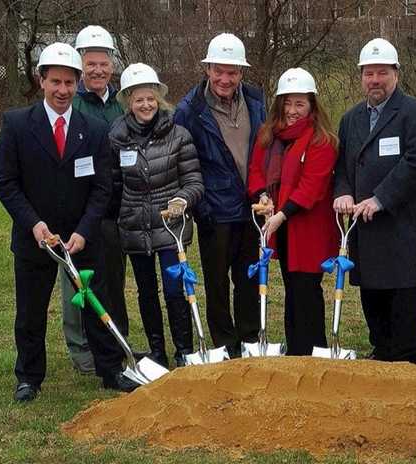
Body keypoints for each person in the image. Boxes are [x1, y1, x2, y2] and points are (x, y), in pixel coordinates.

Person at [0, 43, 137, 402]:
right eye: (55, 82)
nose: (62, 90)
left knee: (96, 304)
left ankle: (110, 369)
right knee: (30, 312)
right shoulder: (16, 125)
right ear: (41, 81)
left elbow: (103, 187)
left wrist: (85, 231)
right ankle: (28, 376)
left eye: (69, 83)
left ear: (78, 84)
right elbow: (5, 183)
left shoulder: (92, 128)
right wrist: (33, 224)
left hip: (80, 239)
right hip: (35, 239)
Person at [333, 38, 416, 363]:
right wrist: (344, 191)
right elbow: (343, 165)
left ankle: (406, 358)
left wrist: (380, 199)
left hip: (403, 225)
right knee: (372, 293)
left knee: (402, 294)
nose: (374, 80)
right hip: (365, 227)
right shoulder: (351, 119)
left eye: (381, 73)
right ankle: (381, 352)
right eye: (368, 74)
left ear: (396, 73)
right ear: (361, 76)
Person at [174, 33, 265, 357]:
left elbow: (264, 149)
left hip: (251, 206)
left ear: (241, 73)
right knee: (216, 284)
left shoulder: (256, 99)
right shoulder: (189, 110)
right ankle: (225, 344)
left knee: (250, 279)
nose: (225, 79)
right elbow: (183, 160)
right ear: (208, 69)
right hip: (214, 211)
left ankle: (250, 339)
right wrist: (202, 208)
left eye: (232, 72)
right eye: (219, 71)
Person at [109, 63, 203, 368]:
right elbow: (112, 184)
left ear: (159, 100)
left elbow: (194, 181)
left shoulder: (179, 135)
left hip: (170, 225)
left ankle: (184, 350)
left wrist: (183, 199)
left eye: (150, 98)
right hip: (135, 226)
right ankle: (157, 352)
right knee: (146, 292)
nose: (146, 105)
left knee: (176, 288)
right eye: (139, 99)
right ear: (128, 102)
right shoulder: (117, 137)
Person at [247, 68, 339, 355]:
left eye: (300, 103)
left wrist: (280, 215)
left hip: (307, 228)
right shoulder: (269, 135)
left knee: (307, 289)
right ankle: (296, 349)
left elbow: (311, 187)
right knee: (290, 287)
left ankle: (313, 348)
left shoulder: (321, 140)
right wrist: (263, 195)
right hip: (283, 226)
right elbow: (255, 171)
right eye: (287, 102)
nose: (292, 110)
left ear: (312, 105)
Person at [52, 25, 127, 375]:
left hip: (114, 208)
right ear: (81, 66)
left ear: (112, 63)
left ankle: (111, 340)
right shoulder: (72, 103)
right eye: (91, 64)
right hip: (78, 211)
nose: (98, 70)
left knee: (111, 279)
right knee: (75, 280)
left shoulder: (120, 104)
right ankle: (80, 346)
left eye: (103, 63)